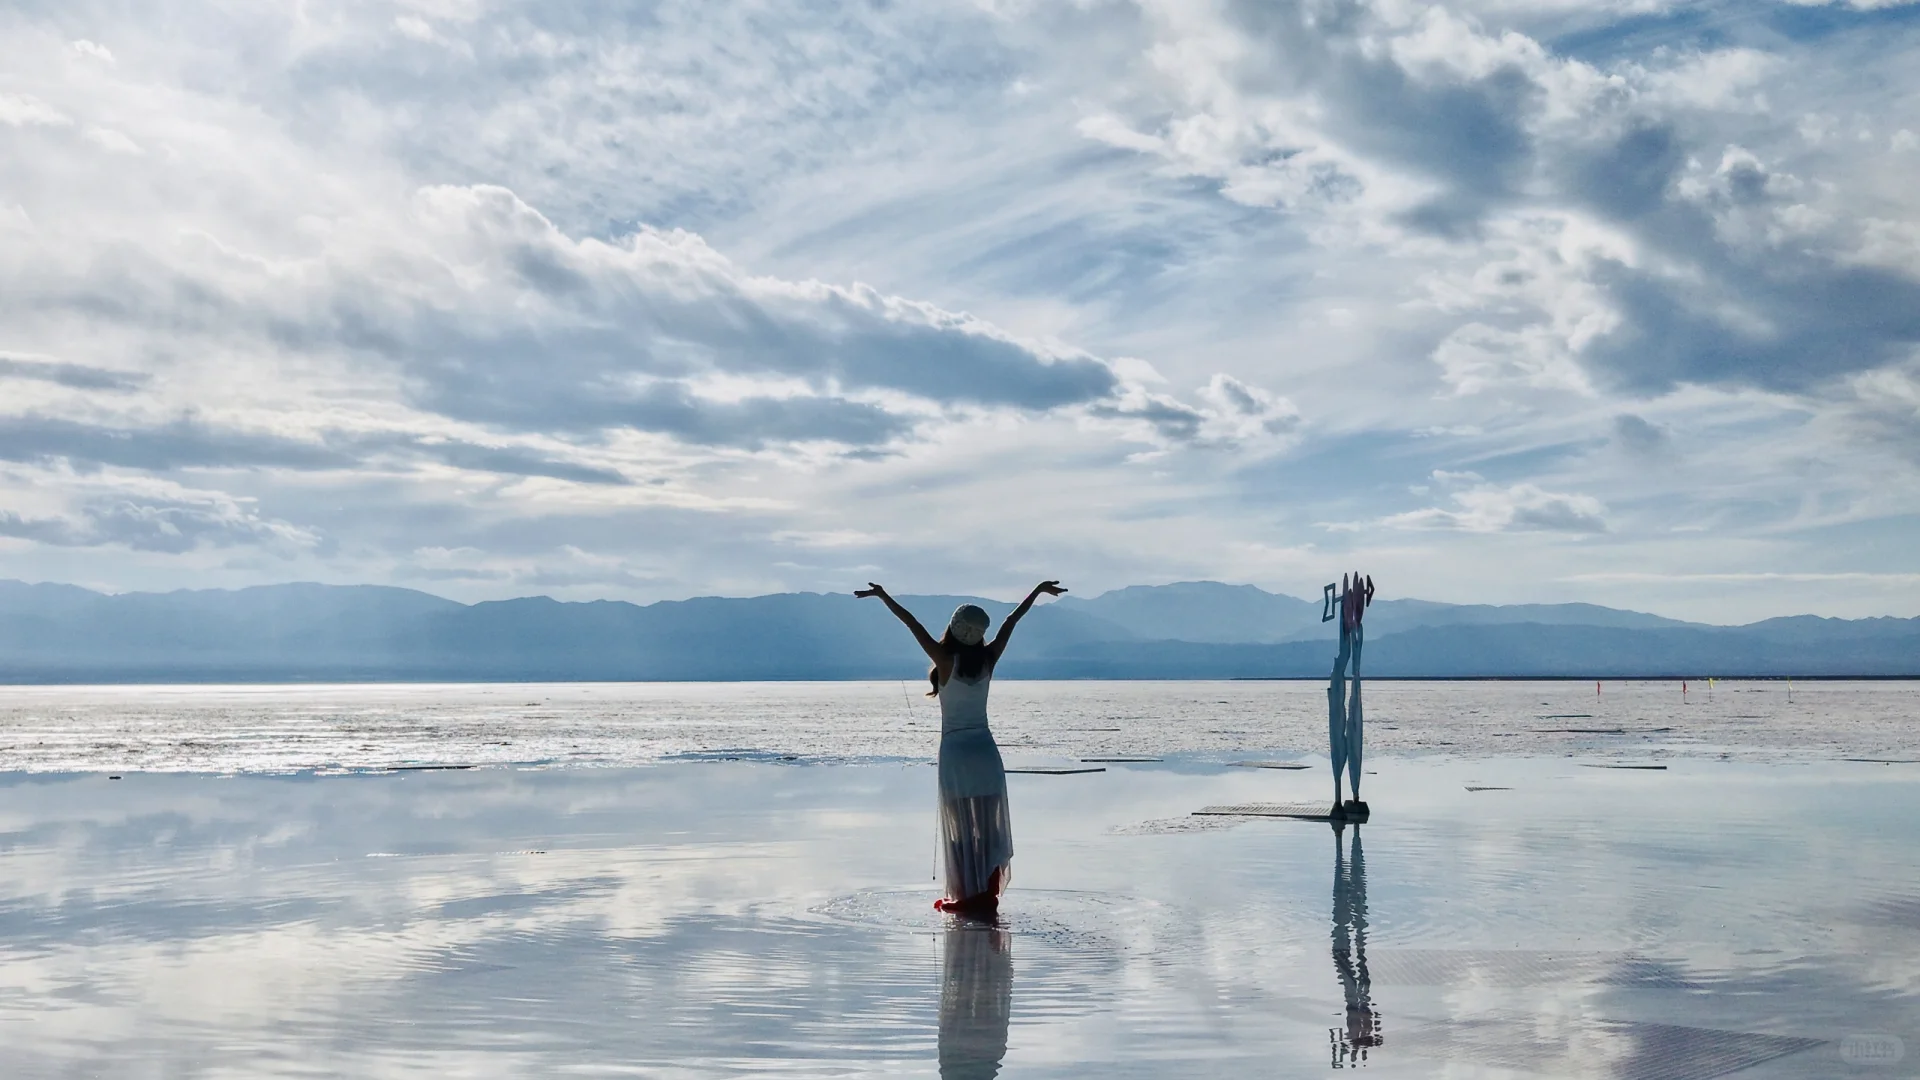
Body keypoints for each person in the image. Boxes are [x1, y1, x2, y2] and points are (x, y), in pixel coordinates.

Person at [856, 580, 1067, 913]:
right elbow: (1012, 621)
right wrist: (1038, 591)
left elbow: (913, 624)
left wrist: (883, 596)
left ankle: (966, 896)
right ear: (980, 633)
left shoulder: (943, 659)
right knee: (988, 825)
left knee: (959, 828)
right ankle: (987, 895)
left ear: (953, 629)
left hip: (955, 754)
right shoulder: (988, 659)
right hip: (985, 751)